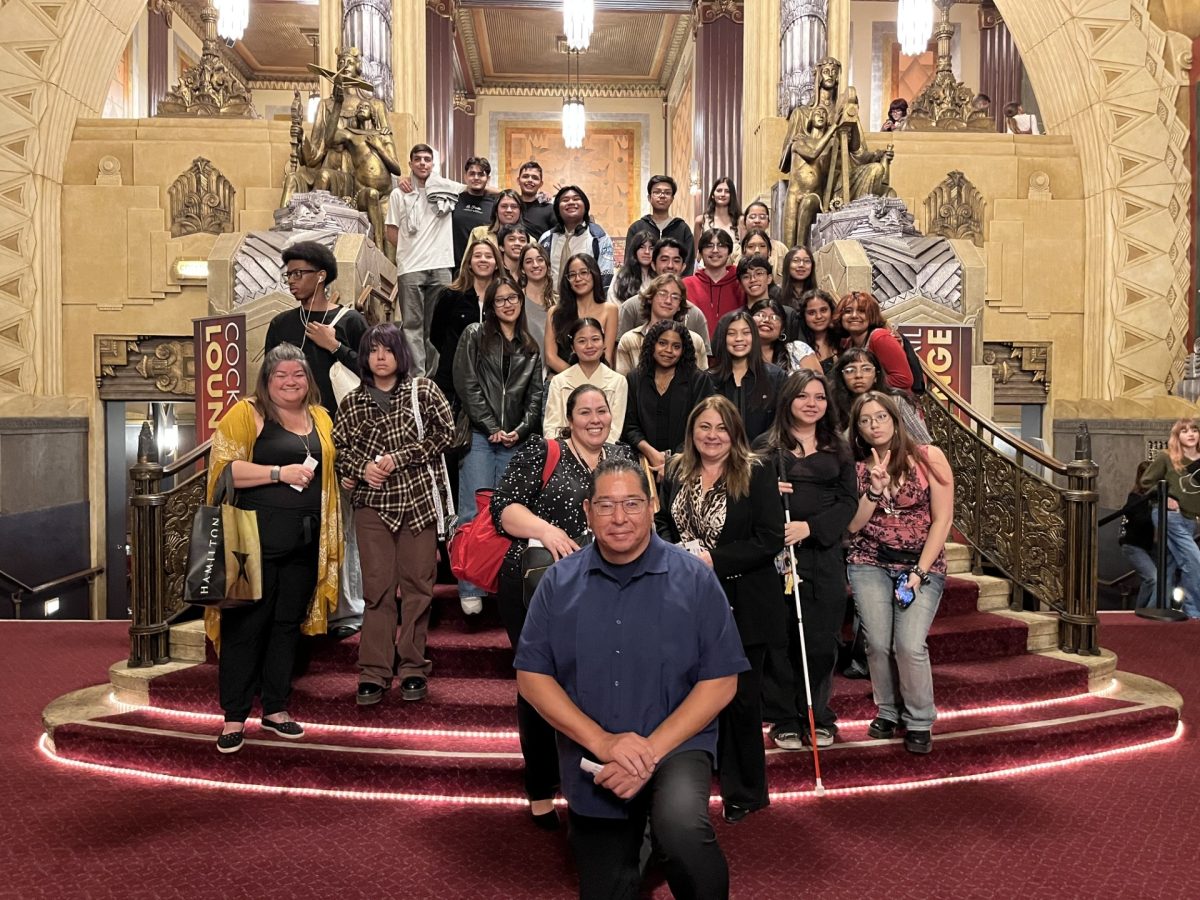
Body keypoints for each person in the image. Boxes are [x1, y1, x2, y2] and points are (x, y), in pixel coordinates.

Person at [515, 456, 744, 898]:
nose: (619, 518)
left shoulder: (695, 578)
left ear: (652, 504)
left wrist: (647, 753)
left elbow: (721, 681)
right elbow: (532, 678)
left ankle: (661, 837)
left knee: (680, 829)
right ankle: (640, 842)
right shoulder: (557, 582)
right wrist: (605, 743)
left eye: (632, 504)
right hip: (593, 750)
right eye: (606, 506)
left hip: (676, 742)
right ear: (587, 511)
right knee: (606, 889)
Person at [493, 386, 636, 830]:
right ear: (569, 417)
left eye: (602, 410)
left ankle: (589, 779)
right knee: (539, 683)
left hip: (604, 589)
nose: (595, 419)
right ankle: (540, 787)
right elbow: (504, 510)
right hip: (536, 587)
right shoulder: (544, 450)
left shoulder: (623, 456)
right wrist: (548, 531)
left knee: (595, 684)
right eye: (585, 412)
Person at [656, 396, 785, 824]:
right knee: (689, 697)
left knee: (741, 702)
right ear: (693, 430)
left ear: (735, 432)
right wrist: (673, 551)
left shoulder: (756, 471)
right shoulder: (676, 470)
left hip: (744, 602)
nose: (712, 436)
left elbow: (769, 539)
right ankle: (690, 782)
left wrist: (714, 559)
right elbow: (664, 525)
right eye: (704, 427)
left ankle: (745, 792)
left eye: (721, 428)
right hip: (686, 603)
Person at [208, 344, 342, 753]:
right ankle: (234, 715)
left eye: (297, 375)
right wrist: (278, 473)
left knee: (287, 625)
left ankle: (276, 708)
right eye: (280, 375)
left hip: (305, 541)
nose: (290, 382)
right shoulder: (247, 413)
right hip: (252, 542)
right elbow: (225, 469)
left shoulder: (320, 417)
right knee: (246, 626)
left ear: (308, 379)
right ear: (267, 380)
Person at [333, 324, 453, 705]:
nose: (380, 357)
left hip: (418, 501)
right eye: (373, 350)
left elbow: (445, 434)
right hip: (373, 505)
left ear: (400, 354)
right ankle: (374, 671)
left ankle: (414, 667)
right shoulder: (352, 402)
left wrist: (399, 458)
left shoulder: (424, 391)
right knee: (377, 591)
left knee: (418, 588)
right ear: (365, 358)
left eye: (387, 349)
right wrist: (361, 468)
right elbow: (339, 450)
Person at [755, 370, 857, 750]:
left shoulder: (838, 447)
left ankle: (816, 712)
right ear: (788, 400)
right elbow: (748, 499)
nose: (811, 404)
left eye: (819, 397)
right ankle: (783, 716)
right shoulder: (766, 447)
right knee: (780, 638)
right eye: (803, 396)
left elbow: (848, 501)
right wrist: (768, 492)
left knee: (820, 639)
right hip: (780, 559)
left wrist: (810, 528)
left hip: (823, 554)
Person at [847, 391, 954, 754]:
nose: (873, 425)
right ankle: (888, 710)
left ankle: (920, 718)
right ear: (858, 429)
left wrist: (920, 573)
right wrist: (873, 491)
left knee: (908, 645)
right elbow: (854, 525)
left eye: (880, 417)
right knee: (877, 643)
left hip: (920, 564)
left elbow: (943, 520)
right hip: (870, 561)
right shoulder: (857, 466)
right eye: (865, 420)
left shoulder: (929, 457)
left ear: (895, 420)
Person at [452, 276, 545, 615]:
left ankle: (498, 581)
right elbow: (466, 382)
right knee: (472, 511)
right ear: (490, 305)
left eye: (513, 297)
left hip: (514, 441)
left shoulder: (530, 345)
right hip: (479, 435)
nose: (508, 304)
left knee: (507, 515)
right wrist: (491, 426)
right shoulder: (474, 336)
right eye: (500, 299)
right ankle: (469, 585)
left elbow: (536, 396)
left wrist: (518, 431)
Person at [266, 241, 369, 419]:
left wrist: (335, 346)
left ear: (321, 276)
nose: (291, 280)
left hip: (340, 423)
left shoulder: (350, 321)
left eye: (298, 274)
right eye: (288, 275)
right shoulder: (280, 323)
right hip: (292, 422)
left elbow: (373, 372)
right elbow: (268, 376)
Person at [386, 144, 464, 375]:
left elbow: (476, 187)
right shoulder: (399, 193)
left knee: (436, 326)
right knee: (412, 326)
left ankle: (433, 378)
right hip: (410, 268)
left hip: (440, 266)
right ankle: (416, 379)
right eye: (417, 159)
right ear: (410, 164)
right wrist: (409, 251)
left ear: (433, 164)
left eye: (427, 159)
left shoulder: (447, 187)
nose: (422, 163)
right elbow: (391, 230)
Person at [623, 320, 715, 481]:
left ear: (683, 350)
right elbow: (630, 426)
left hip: (688, 466)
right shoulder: (635, 379)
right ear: (652, 345)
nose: (668, 350)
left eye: (676, 346)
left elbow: (701, 426)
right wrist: (652, 455)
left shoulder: (698, 380)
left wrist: (672, 463)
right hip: (643, 466)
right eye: (662, 343)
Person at [429, 238, 501, 411]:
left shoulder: (504, 298)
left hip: (491, 381)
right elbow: (436, 335)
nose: (483, 259)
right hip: (451, 382)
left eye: (488, 256)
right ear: (469, 263)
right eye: (477, 256)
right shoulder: (450, 296)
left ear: (497, 264)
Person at [1140, 418, 1200, 618]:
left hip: (1191, 518)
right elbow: (1145, 482)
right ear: (1177, 435)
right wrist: (1163, 497)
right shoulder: (1166, 457)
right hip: (1169, 516)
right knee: (1194, 560)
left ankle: (1154, 606)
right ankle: (1194, 611)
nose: (1190, 434)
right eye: (1184, 431)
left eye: (1194, 430)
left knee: (1170, 564)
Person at [544, 318, 627, 443]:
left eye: (595, 339)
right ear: (573, 347)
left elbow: (615, 429)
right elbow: (551, 428)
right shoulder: (559, 381)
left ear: (604, 343)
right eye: (582, 341)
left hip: (605, 453)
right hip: (565, 453)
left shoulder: (618, 381)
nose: (589, 346)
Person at [616, 239, 711, 348]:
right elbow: (620, 352)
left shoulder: (695, 315)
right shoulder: (631, 307)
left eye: (676, 261)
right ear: (653, 264)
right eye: (664, 260)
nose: (670, 265)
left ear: (683, 267)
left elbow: (703, 358)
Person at [709, 309, 785, 444]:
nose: (739, 339)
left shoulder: (776, 377)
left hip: (764, 458)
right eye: (731, 333)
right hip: (718, 457)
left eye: (746, 333)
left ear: (754, 337)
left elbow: (781, 426)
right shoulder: (708, 379)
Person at [831, 347, 931, 444]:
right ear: (842, 376)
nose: (858, 375)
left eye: (866, 369)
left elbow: (924, 442)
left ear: (876, 375)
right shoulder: (834, 405)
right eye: (850, 370)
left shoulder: (897, 401)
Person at [614, 274, 708, 375]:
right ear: (650, 298)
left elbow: (702, 384)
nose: (668, 301)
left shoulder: (695, 341)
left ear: (680, 305)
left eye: (675, 297)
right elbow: (623, 384)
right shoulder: (629, 340)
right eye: (662, 294)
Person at [546, 253, 619, 374]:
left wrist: (590, 382)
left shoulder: (610, 310)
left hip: (597, 381)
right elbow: (550, 357)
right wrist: (578, 378)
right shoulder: (555, 312)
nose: (578, 279)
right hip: (562, 379)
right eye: (572, 275)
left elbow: (607, 356)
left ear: (594, 274)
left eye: (584, 272)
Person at [538, 185, 615, 289]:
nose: (571, 202)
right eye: (565, 200)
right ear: (557, 209)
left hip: (587, 302)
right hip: (551, 302)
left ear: (585, 206)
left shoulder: (599, 237)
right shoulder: (546, 238)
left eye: (576, 199)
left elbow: (606, 277)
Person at [836, 291, 914, 391]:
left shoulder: (880, 338)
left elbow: (904, 379)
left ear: (871, 315)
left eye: (861, 311)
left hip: (889, 403)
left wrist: (868, 382)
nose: (854, 315)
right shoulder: (848, 343)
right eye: (848, 311)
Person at [625, 175, 695, 273]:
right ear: (649, 198)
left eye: (667, 193)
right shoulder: (637, 228)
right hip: (642, 285)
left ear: (672, 199)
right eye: (657, 192)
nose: (662, 196)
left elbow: (688, 263)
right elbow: (629, 261)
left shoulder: (682, 228)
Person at [685, 228, 744, 339]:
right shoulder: (687, 285)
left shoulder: (741, 283)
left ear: (729, 252)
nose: (715, 250)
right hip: (697, 352)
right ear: (701, 252)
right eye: (709, 246)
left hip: (734, 351)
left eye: (721, 245)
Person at [1119, 460, 1162, 609]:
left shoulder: (1156, 497)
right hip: (1134, 544)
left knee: (1161, 580)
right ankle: (1142, 611)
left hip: (1149, 544)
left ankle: (1144, 610)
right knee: (1153, 579)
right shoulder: (1135, 498)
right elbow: (1139, 519)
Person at [750, 298, 820, 374]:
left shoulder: (797, 350)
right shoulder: (739, 353)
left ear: (782, 329)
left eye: (774, 317)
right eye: (761, 315)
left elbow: (818, 383)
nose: (766, 320)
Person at [452, 156, 497, 270]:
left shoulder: (495, 205)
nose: (476, 178)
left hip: (484, 267)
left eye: (481, 174)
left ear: (488, 178)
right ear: (465, 177)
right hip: (457, 267)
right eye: (472, 174)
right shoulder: (453, 200)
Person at [518, 241, 555, 360]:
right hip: (524, 370)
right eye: (528, 261)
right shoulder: (516, 300)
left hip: (554, 374)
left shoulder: (559, 301)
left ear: (547, 265)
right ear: (522, 269)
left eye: (540, 260)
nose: (535, 265)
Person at [794, 288, 840, 374]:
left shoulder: (842, 341)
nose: (819, 316)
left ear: (831, 311)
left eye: (823, 310)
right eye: (811, 313)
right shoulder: (797, 347)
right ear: (803, 316)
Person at [742, 201, 789, 283]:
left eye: (762, 217)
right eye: (752, 217)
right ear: (745, 222)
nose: (757, 221)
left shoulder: (781, 248)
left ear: (768, 223)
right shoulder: (735, 251)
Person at [694, 176, 741, 258]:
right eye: (719, 191)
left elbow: (744, 253)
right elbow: (695, 254)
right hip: (706, 268)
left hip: (734, 268)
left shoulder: (740, 221)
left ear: (731, 195)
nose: (723, 194)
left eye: (727, 191)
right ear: (713, 194)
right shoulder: (701, 220)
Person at [606, 230, 656, 305]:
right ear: (635, 250)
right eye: (642, 247)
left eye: (651, 248)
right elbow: (613, 304)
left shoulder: (659, 276)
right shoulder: (621, 276)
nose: (647, 252)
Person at [517, 160, 556, 238]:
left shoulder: (549, 209)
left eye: (535, 178)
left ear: (541, 184)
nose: (530, 180)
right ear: (518, 181)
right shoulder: (511, 206)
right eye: (525, 176)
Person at [779, 246, 816, 330]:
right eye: (796, 261)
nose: (801, 265)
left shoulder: (818, 296)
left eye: (806, 261)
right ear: (787, 264)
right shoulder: (776, 293)